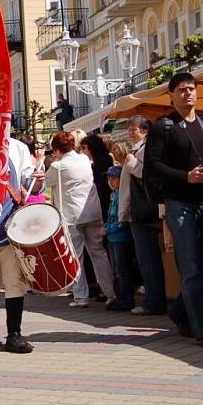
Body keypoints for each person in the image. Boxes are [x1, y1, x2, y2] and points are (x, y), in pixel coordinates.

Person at [144, 72, 203, 349]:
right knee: (191, 267)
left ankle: (181, 310)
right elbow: (152, 165)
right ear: (171, 95)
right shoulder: (164, 126)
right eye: (182, 90)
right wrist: (186, 176)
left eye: (192, 89)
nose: (188, 94)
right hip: (180, 203)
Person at [0, 136, 40, 354]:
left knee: (15, 282)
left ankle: (14, 333)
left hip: (11, 227)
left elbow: (31, 185)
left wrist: (37, 181)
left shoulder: (18, 147)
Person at [42, 131, 116, 308]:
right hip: (92, 210)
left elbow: (46, 183)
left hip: (72, 216)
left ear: (57, 149)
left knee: (76, 256)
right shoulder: (84, 160)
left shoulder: (58, 167)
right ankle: (111, 293)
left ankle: (81, 296)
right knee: (98, 253)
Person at [124, 114, 167, 316]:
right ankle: (153, 299)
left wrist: (131, 163)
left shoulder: (146, 149)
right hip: (138, 211)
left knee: (148, 259)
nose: (130, 132)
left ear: (145, 131)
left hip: (145, 212)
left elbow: (148, 174)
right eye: (130, 129)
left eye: (134, 129)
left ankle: (154, 301)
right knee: (145, 259)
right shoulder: (137, 149)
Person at [104, 165, 135, 311]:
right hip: (112, 238)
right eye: (109, 179)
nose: (110, 182)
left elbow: (122, 220)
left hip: (121, 238)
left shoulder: (123, 195)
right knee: (116, 270)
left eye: (114, 179)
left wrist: (108, 229)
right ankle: (119, 297)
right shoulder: (113, 195)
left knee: (123, 270)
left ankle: (126, 299)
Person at [82, 133, 113, 221]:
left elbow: (102, 183)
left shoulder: (103, 161)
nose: (83, 151)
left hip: (103, 199)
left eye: (84, 148)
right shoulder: (97, 161)